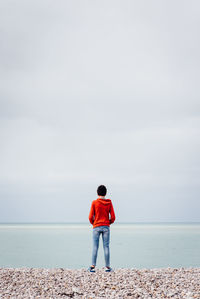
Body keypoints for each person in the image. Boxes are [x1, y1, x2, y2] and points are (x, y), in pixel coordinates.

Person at [88, 185, 116, 272]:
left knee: (95, 247)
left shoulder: (94, 203)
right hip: (106, 227)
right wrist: (108, 223)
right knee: (106, 246)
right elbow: (113, 217)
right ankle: (107, 267)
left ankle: (92, 266)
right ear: (105, 193)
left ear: (97, 193)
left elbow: (90, 217)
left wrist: (94, 223)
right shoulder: (109, 203)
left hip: (96, 226)